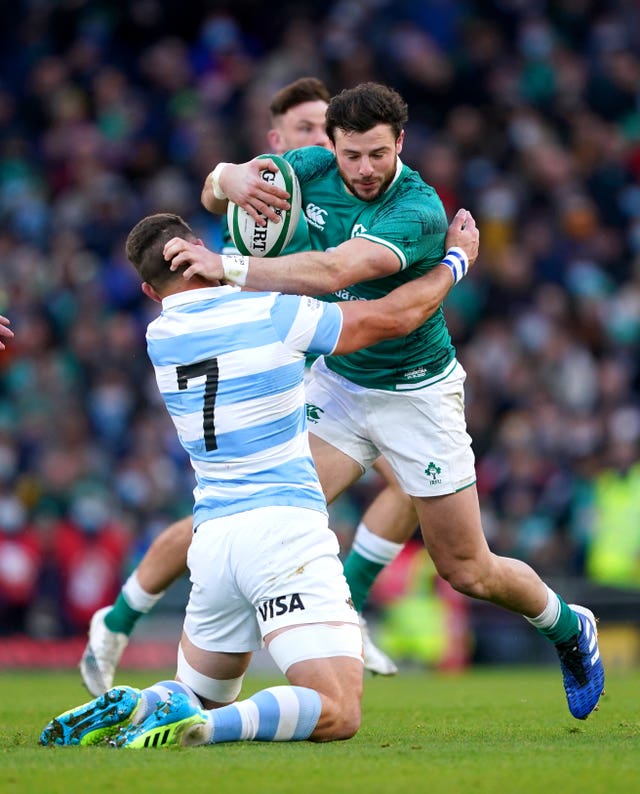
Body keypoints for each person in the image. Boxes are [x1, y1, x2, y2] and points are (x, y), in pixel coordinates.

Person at [174, 81, 604, 721]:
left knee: (467, 568)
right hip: (341, 385)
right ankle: (208, 695)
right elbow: (221, 192)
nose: (365, 169)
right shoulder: (311, 167)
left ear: (400, 143)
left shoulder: (419, 209)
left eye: (378, 153)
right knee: (270, 516)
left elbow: (336, 275)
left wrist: (230, 267)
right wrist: (227, 176)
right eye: (352, 156)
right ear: (333, 147)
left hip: (418, 394)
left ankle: (571, 627)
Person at [40, 207, 477, 749]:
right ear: (198, 249)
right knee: (338, 710)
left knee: (198, 692)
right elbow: (389, 319)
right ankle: (199, 730)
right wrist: (455, 262)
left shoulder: (162, 336)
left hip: (215, 542)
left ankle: (144, 704)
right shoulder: (270, 311)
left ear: (151, 292)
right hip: (282, 532)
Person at [79, 77, 412, 696]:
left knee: (410, 480)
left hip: (314, 357)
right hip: (276, 355)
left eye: (327, 133)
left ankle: (348, 606)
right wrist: (225, 173)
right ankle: (119, 618)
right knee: (247, 500)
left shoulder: (343, 191)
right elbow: (216, 197)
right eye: (307, 131)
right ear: (278, 142)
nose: (322, 142)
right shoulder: (254, 213)